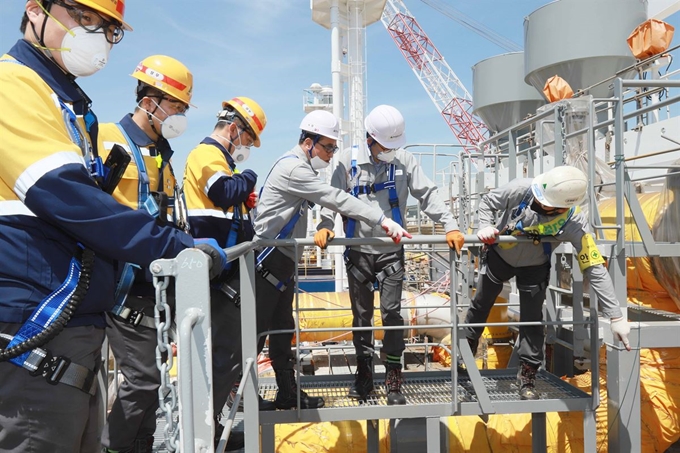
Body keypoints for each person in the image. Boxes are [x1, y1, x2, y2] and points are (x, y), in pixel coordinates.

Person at [0, 3, 225, 452]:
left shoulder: (65, 105)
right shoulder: (13, 84)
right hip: (37, 326)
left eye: (106, 28)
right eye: (84, 17)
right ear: (34, 10)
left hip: (76, 324)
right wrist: (177, 247)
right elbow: (71, 199)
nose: (97, 35)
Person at [254, 109, 411, 409]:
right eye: (327, 147)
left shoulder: (303, 168)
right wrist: (383, 220)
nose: (331, 154)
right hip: (268, 261)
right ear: (308, 142)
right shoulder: (295, 170)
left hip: (282, 262)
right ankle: (240, 396)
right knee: (258, 331)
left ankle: (287, 393)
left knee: (282, 328)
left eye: (334, 148)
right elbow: (336, 198)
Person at [314, 104, 465, 405]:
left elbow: (428, 194)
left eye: (394, 145)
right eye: (385, 145)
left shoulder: (405, 161)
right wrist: (324, 225)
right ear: (369, 139)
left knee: (393, 315)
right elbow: (330, 199)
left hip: (391, 253)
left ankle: (394, 376)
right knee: (361, 317)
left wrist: (450, 225)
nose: (390, 151)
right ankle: (364, 375)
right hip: (358, 253)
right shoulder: (346, 162)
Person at [98, 55, 205, 453]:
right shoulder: (108, 138)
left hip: (155, 285)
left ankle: (139, 444)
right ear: (150, 100)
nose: (180, 115)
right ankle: (114, 447)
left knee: (155, 378)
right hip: (119, 285)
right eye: (177, 106)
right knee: (144, 378)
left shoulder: (164, 156)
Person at [461, 165, 631, 400]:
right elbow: (488, 202)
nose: (539, 205)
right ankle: (466, 353)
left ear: (564, 207)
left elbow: (592, 266)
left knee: (532, 320)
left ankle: (527, 377)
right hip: (500, 256)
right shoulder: (522, 189)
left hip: (534, 265)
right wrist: (485, 225)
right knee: (481, 304)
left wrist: (616, 316)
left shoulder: (574, 224)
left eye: (546, 204)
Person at [183, 96, 273, 445]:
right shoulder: (207, 154)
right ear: (235, 129)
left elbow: (228, 196)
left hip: (225, 267)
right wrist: (247, 179)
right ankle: (207, 431)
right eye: (248, 139)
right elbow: (222, 190)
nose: (248, 146)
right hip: (215, 271)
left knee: (227, 353)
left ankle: (213, 424)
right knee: (221, 354)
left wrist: (242, 197)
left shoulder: (221, 160)